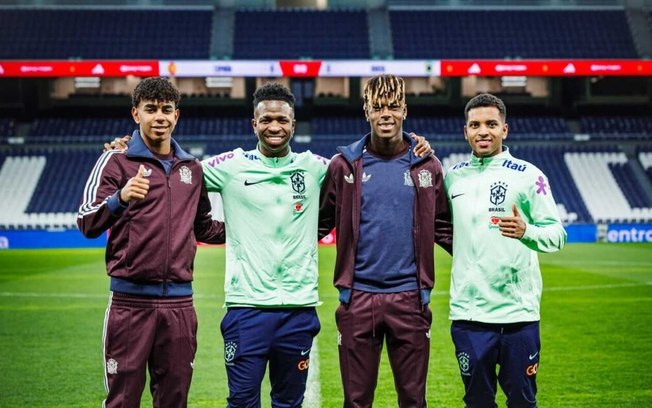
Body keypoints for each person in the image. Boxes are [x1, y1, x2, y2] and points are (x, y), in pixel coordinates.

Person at [106, 81, 432, 407]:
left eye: (282, 120)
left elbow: (367, 162)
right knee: (243, 402)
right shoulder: (229, 166)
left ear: (293, 124)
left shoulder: (320, 167)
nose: (274, 127)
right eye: (266, 120)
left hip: (298, 308)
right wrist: (135, 149)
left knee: (289, 403)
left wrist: (415, 143)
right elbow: (177, 172)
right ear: (254, 124)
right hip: (245, 308)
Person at [77, 77, 225, 408]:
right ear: (135, 114)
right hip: (129, 304)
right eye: (150, 109)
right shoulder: (116, 161)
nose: (159, 116)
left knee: (174, 400)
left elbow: (204, 228)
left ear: (177, 116)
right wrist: (120, 198)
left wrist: (255, 227)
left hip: (179, 307)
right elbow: (86, 221)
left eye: (166, 110)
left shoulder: (192, 169)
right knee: (123, 401)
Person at [318, 74, 453, 407]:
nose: (386, 114)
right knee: (357, 401)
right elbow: (316, 224)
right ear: (366, 111)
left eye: (393, 106)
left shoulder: (427, 166)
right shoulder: (343, 166)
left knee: (412, 399)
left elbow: (445, 228)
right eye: (378, 107)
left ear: (405, 109)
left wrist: (492, 253)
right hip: (358, 299)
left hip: (409, 299)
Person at [444, 93, 566, 408]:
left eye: (491, 124)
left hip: (518, 314)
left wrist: (528, 232)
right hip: (470, 315)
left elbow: (556, 234)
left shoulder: (529, 176)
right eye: (475, 125)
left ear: (505, 130)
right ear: (466, 131)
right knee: (478, 402)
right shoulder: (453, 177)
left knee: (523, 402)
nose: (483, 131)